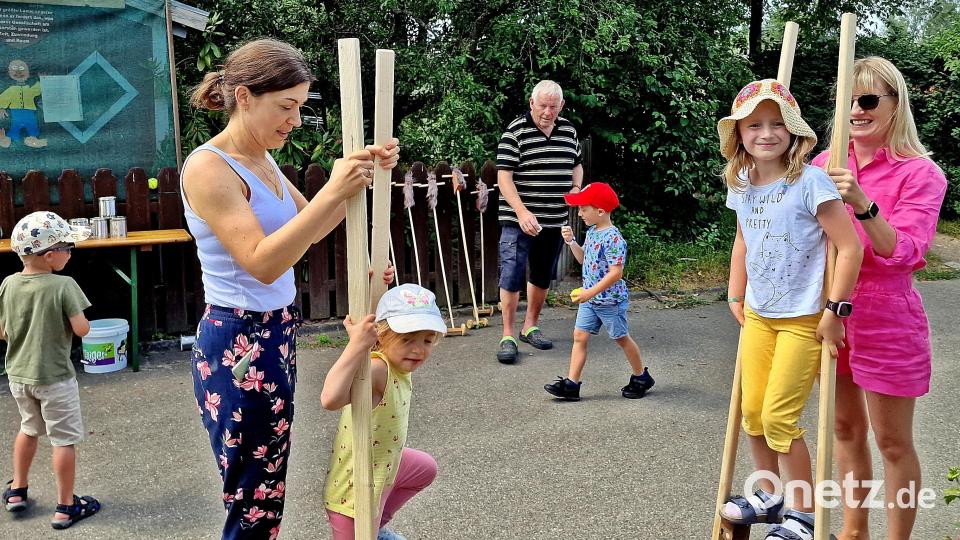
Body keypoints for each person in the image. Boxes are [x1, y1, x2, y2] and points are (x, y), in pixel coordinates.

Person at [183, 38, 399, 539]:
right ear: (243, 96)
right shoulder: (209, 166)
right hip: (239, 342)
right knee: (253, 498)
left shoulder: (263, 157)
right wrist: (336, 188)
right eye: (286, 106)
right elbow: (262, 262)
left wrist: (367, 171)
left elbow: (314, 224)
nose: (295, 120)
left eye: (300, 106)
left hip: (275, 335)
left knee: (266, 491)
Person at [716, 80, 863, 540]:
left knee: (780, 417)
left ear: (794, 131)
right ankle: (770, 495)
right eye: (754, 124)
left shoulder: (809, 181)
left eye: (777, 124)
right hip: (759, 314)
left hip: (803, 319)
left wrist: (835, 311)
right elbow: (743, 240)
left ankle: (803, 514)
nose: (766, 133)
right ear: (738, 134)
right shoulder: (742, 184)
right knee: (753, 413)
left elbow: (850, 246)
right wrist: (735, 292)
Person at [812, 57, 948, 540]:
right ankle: (853, 532)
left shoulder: (921, 174)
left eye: (868, 100)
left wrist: (862, 204)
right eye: (848, 100)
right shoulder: (821, 163)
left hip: (888, 316)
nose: (856, 110)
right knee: (845, 431)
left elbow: (905, 252)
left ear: (895, 106)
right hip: (832, 311)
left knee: (892, 442)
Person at [0, 211, 101, 530]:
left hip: (19, 377)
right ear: (49, 255)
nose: (70, 252)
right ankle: (65, 507)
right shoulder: (64, 286)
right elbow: (82, 329)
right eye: (67, 247)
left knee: (29, 428)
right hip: (55, 379)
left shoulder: (8, 284)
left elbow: (3, 331)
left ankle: (17, 490)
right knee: (63, 440)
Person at [321, 284, 445, 540]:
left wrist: (378, 279)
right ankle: (369, 531)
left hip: (383, 466)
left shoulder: (401, 366)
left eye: (427, 340)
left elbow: (378, 309)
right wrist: (355, 345)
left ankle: (375, 530)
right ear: (381, 337)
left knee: (425, 468)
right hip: (354, 488)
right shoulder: (378, 368)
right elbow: (330, 399)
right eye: (407, 339)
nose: (418, 349)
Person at [495, 79, 584, 364]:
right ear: (532, 103)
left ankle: (529, 325)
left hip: (553, 218)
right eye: (542, 105)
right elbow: (504, 177)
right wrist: (521, 212)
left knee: (542, 274)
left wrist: (575, 187)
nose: (547, 111)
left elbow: (577, 164)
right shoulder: (515, 132)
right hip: (517, 218)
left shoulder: (569, 130)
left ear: (561, 106)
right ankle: (507, 334)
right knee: (511, 273)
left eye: (553, 106)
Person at [542, 182, 654, 401]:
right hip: (590, 299)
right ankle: (572, 385)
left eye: (584, 208)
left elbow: (616, 273)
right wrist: (571, 241)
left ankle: (641, 377)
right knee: (579, 336)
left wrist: (589, 292)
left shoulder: (613, 238)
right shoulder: (593, 232)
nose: (580, 213)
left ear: (600, 211)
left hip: (610, 301)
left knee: (621, 338)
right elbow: (585, 259)